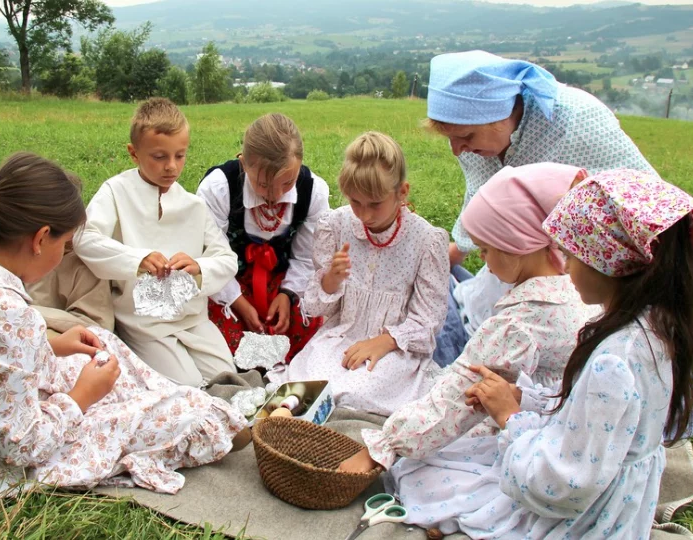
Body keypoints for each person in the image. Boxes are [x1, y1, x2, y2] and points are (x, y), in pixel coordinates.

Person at [341, 169, 693, 539]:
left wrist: (510, 418)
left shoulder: (543, 333)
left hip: (581, 515)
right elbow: (584, 410)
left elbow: (559, 483)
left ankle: (451, 519)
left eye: (571, 254)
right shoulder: (656, 325)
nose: (566, 265)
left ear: (609, 266)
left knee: (421, 473)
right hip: (618, 492)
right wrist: (527, 399)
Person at [0, 153, 250, 499]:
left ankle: (160, 399)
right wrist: (81, 397)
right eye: (64, 245)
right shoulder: (5, 314)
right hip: (0, 465)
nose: (63, 254)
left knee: (99, 344)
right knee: (185, 413)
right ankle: (207, 418)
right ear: (40, 239)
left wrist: (51, 345)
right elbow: (19, 448)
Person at [426, 50, 656, 365]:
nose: (457, 150)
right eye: (450, 139)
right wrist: (454, 252)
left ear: (503, 112)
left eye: (465, 136)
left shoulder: (576, 121)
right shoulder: (475, 141)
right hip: (524, 261)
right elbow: (482, 200)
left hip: (595, 272)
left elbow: (648, 207)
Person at [270, 132, 449, 416]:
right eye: (355, 202)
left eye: (375, 204)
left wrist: (384, 341)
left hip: (394, 346)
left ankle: (328, 419)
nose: (364, 215)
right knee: (312, 379)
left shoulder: (427, 241)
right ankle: (290, 418)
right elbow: (319, 308)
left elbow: (429, 319)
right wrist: (330, 281)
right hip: (342, 334)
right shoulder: (336, 224)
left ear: (402, 192)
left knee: (359, 390)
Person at [73, 98, 238, 386]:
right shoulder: (116, 191)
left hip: (193, 320)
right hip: (144, 324)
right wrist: (136, 259)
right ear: (133, 153)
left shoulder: (193, 206)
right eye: (159, 157)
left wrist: (199, 266)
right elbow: (84, 238)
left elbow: (226, 259)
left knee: (228, 381)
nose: (171, 167)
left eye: (180, 156)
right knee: (187, 387)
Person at [198, 113, 330, 361]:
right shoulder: (219, 188)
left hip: (283, 280)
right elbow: (209, 254)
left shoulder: (313, 191)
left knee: (305, 326)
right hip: (228, 281)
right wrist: (238, 302)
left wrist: (288, 294)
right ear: (245, 164)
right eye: (263, 185)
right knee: (219, 340)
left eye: (287, 182)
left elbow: (306, 257)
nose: (275, 194)